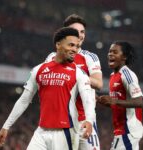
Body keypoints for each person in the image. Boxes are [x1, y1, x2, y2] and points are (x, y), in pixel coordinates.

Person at [0, 27, 96, 150]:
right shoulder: (38, 70)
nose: (74, 50)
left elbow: (88, 100)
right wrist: (6, 126)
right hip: (41, 131)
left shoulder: (79, 73)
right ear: (58, 44)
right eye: (71, 45)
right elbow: (24, 100)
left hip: (65, 133)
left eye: (76, 46)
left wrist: (89, 121)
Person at [45, 14, 103, 150]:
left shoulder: (89, 57)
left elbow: (99, 83)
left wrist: (77, 76)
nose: (80, 35)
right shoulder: (52, 57)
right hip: (61, 121)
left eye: (82, 32)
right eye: (75, 31)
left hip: (85, 121)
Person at [96, 41, 143, 150]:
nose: (110, 54)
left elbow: (139, 102)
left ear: (124, 57)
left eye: (115, 52)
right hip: (120, 131)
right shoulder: (113, 76)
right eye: (109, 52)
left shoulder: (127, 74)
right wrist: (101, 100)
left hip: (129, 130)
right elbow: (116, 103)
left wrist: (114, 101)